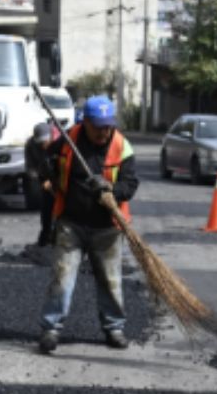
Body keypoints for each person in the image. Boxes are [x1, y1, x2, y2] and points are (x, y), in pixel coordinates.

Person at [37, 96, 138, 353]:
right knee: (62, 278)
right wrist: (48, 170)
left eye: (108, 126)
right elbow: (45, 164)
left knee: (111, 281)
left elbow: (131, 185)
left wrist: (111, 189)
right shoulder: (68, 140)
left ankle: (114, 328)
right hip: (71, 223)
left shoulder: (121, 147)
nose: (104, 132)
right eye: (98, 126)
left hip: (108, 228)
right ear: (86, 123)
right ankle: (51, 329)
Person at [24, 122, 56, 246]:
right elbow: (30, 167)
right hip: (43, 177)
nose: (44, 145)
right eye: (40, 142)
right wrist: (40, 179)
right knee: (46, 210)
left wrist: (54, 181)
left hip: (59, 177)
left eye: (46, 141)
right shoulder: (31, 145)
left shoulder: (59, 142)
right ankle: (45, 239)